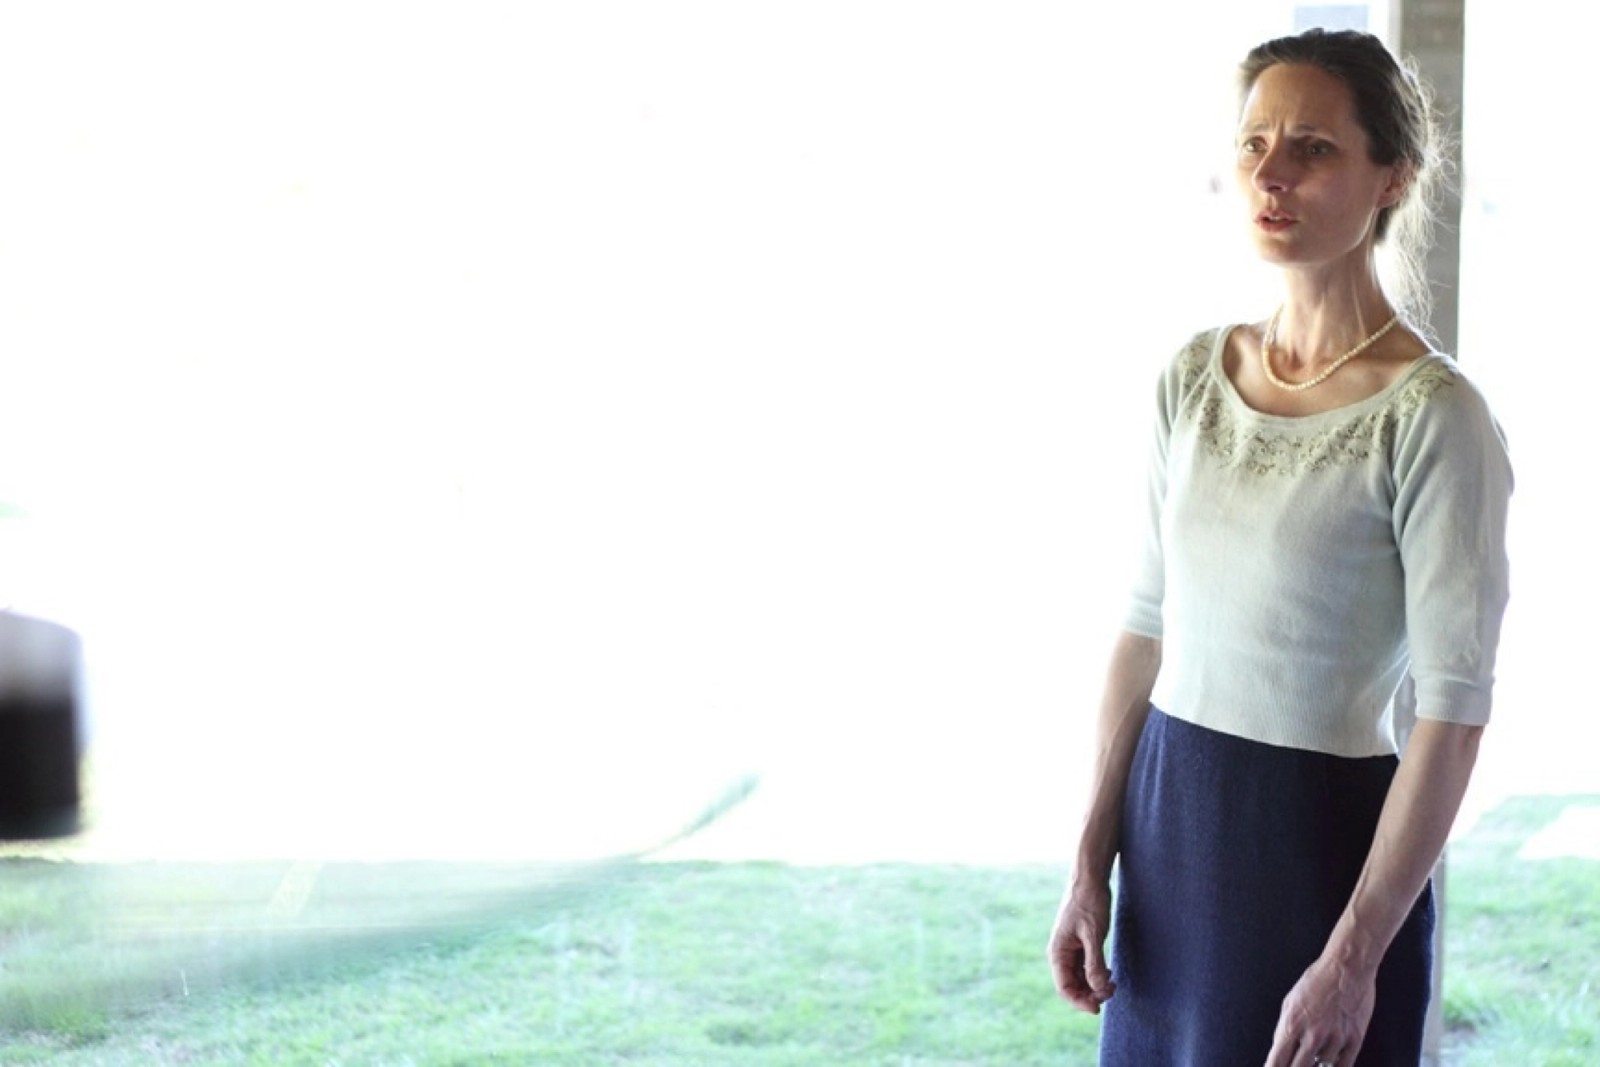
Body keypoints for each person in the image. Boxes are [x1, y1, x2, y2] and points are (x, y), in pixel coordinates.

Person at [1045, 27, 1512, 1067]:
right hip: (1168, 831)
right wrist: (1089, 856)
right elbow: (1144, 628)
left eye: (1312, 147)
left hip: (1320, 850)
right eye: (1256, 143)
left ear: (1391, 175)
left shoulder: (1433, 418)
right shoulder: (1191, 378)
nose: (1273, 173)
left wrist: (1352, 956)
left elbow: (1453, 712)